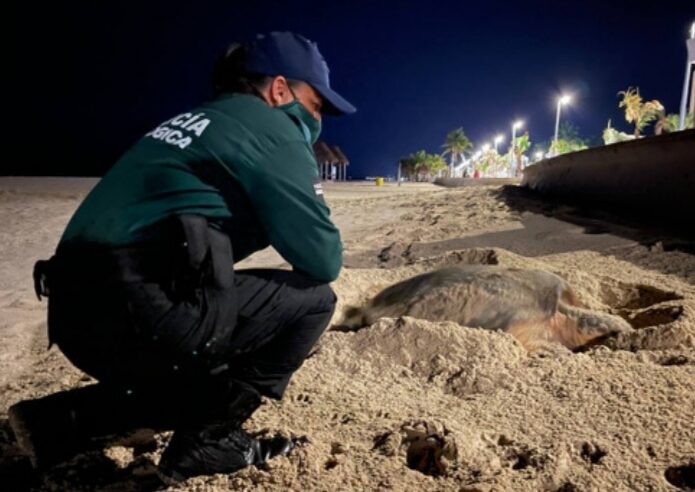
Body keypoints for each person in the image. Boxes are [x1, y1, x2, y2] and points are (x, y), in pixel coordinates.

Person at [8, 31, 355, 483]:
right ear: (280, 89)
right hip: (138, 313)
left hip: (73, 313)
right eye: (315, 104)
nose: (318, 118)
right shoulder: (272, 129)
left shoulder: (196, 120)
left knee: (213, 308)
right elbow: (323, 258)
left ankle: (58, 422)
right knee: (312, 301)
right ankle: (209, 439)